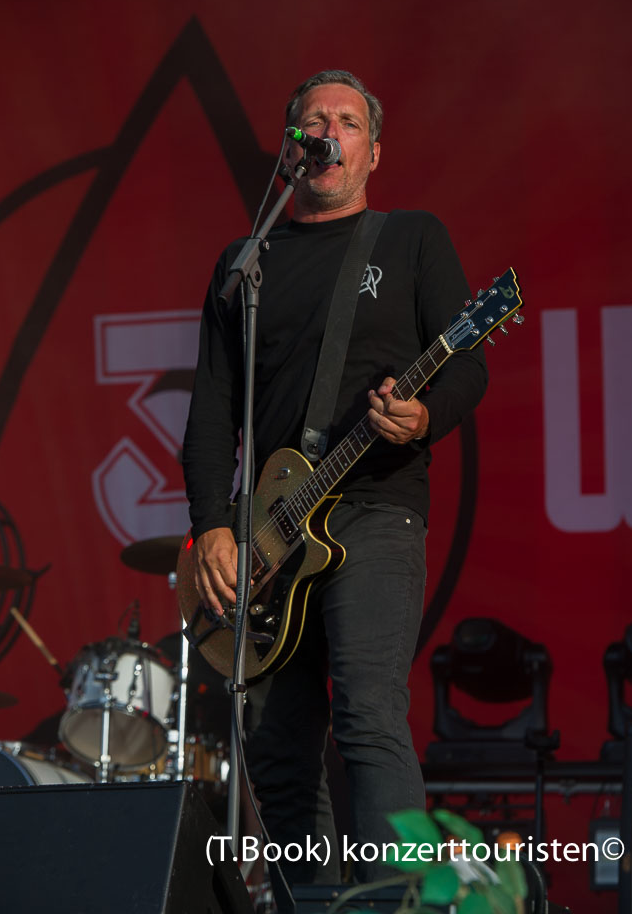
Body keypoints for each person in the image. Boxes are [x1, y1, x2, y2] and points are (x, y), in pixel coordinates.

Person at [182, 69, 488, 903]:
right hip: (271, 529)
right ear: (291, 149)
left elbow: (466, 364)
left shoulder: (410, 239)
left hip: (375, 509)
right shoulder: (246, 263)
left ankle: (397, 899)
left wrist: (421, 418)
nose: (327, 131)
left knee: (367, 714)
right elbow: (211, 409)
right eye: (311, 120)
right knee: (278, 747)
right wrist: (213, 525)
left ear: (372, 152)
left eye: (347, 121)